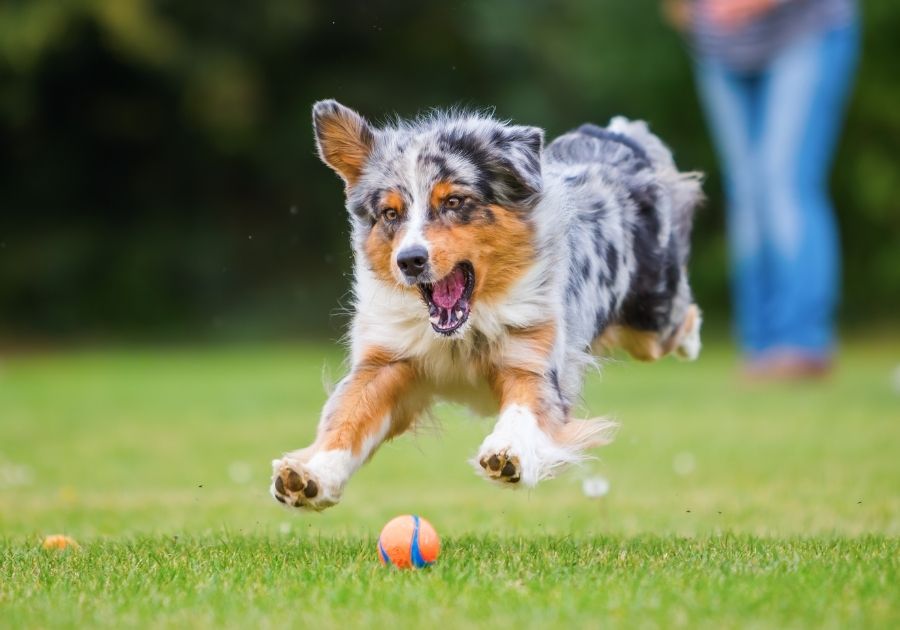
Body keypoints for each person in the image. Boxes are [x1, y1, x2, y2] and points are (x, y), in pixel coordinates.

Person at [664, 0, 860, 379]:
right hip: (721, 47)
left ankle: (801, 344)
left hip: (804, 31)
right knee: (747, 194)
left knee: (783, 182)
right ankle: (760, 345)